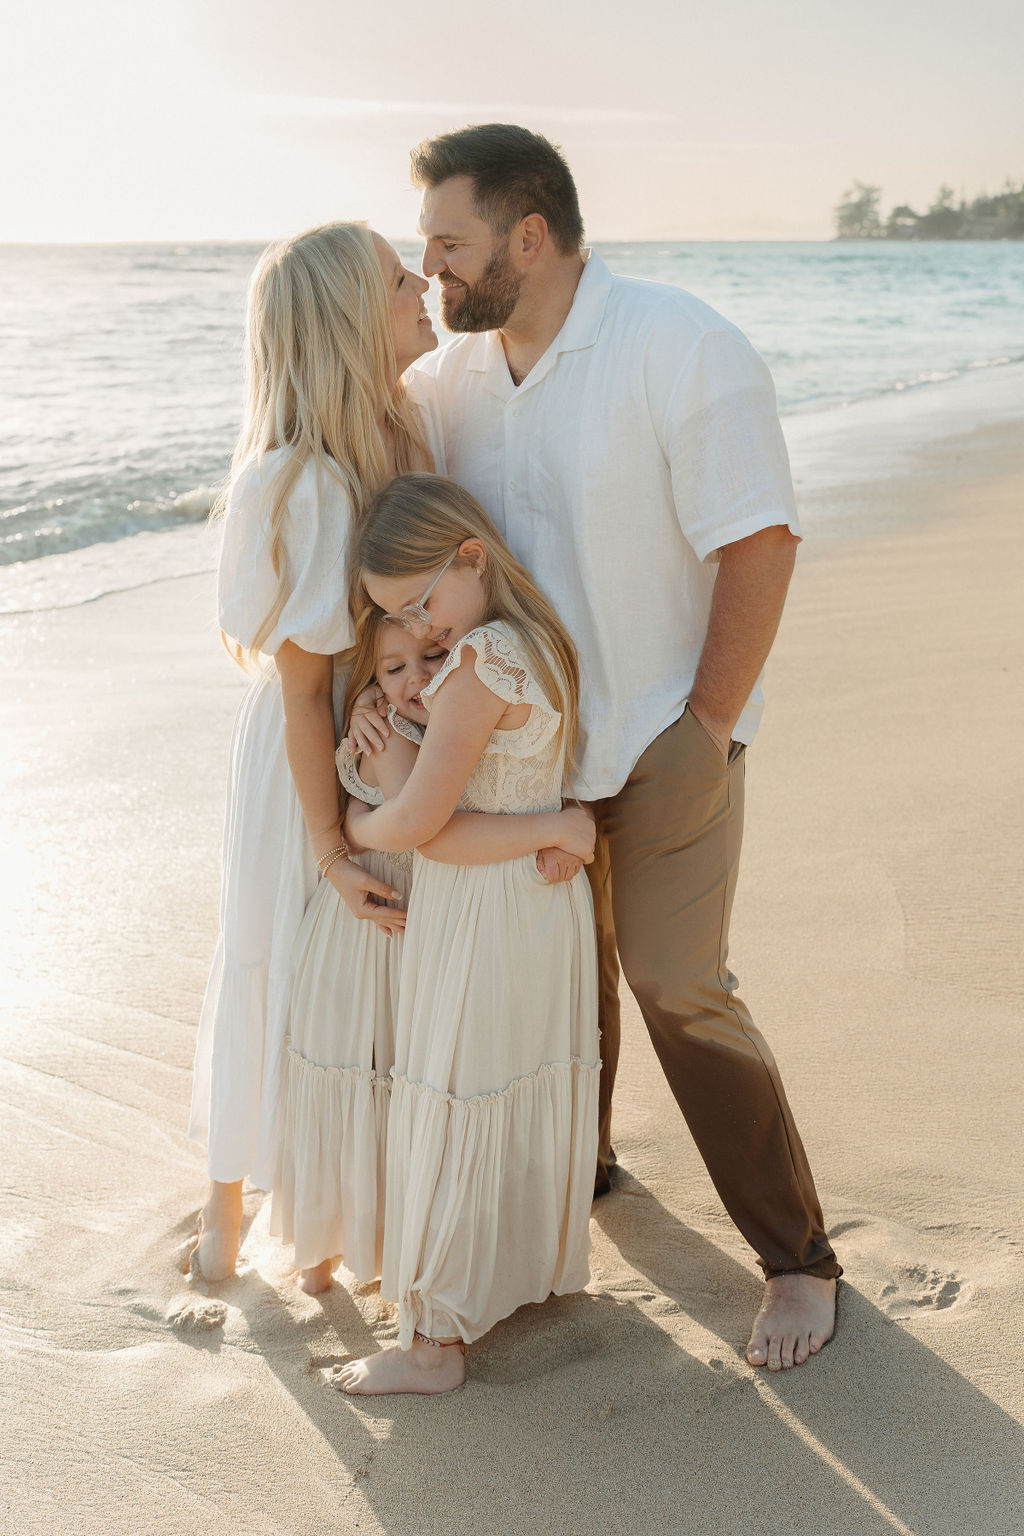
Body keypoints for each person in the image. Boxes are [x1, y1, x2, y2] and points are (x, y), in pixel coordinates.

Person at [405, 123, 842, 1372]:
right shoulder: (452, 381)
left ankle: (797, 1260)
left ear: (527, 238)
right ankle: (578, 1179)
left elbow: (757, 541)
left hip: (662, 730)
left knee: (672, 982)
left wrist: (706, 727)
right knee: (564, 985)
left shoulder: (678, 344)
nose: (428, 263)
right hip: (524, 756)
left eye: (449, 240)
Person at [185, 221, 441, 1281]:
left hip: (372, 743)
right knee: (271, 955)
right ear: (346, 320)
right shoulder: (299, 483)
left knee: (353, 980)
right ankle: (226, 1202)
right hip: (304, 762)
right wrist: (330, 845)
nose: (421, 281)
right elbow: (300, 690)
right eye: (394, 280)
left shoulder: (406, 435)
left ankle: (329, 1205)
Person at [331, 473, 600, 1396]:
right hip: (534, 907)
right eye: (399, 616)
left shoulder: (481, 662)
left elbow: (418, 824)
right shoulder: (534, 640)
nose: (421, 627)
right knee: (510, 1080)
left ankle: (434, 1345)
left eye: (420, 601)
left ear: (471, 557)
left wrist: (346, 839)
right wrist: (558, 825)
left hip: (485, 907)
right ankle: (518, 1279)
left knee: (453, 1092)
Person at [273, 615, 595, 1295]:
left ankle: (389, 1243)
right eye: (393, 669)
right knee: (360, 1071)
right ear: (371, 681)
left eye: (432, 655)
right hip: (375, 927)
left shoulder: (446, 723)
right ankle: (328, 1249)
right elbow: (432, 829)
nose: (417, 677)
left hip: (416, 924)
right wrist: (556, 827)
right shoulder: (385, 735)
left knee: (398, 1084)